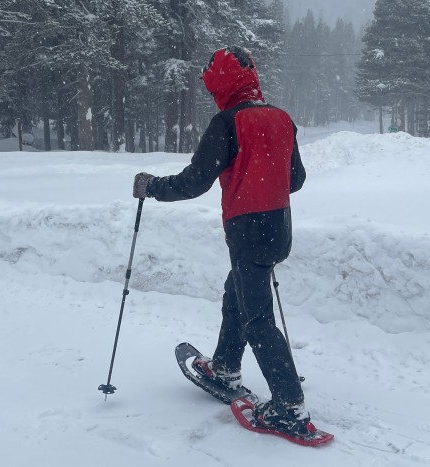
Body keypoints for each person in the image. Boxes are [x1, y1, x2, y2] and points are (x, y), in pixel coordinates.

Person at [132, 46, 310, 435]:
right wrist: (264, 174)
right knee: (240, 296)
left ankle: (288, 406)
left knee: (257, 318)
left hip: (247, 229)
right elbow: (295, 180)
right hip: (279, 228)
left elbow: (193, 183)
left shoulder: (228, 122)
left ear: (221, 85)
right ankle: (226, 367)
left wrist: (151, 187)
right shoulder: (283, 118)